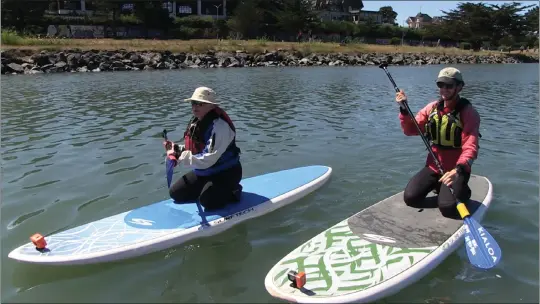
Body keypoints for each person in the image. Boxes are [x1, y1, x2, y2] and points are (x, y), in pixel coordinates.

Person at [395, 67, 481, 218]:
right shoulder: (432, 108)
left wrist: (458, 171)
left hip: (456, 169)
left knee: (447, 208)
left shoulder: (468, 113)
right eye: (441, 85)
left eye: (449, 86)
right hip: (434, 166)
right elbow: (411, 130)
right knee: (411, 198)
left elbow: (470, 147)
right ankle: (441, 188)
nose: (444, 89)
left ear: (459, 87)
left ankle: (463, 192)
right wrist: (404, 110)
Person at [164, 86, 243, 211]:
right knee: (175, 193)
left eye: (200, 104)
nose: (195, 107)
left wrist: (182, 158)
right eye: (193, 103)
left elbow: (208, 159)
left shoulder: (220, 127)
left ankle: (234, 190)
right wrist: (175, 149)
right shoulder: (197, 122)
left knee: (208, 201)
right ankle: (207, 188)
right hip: (205, 171)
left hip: (226, 172)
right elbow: (195, 148)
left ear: (212, 106)